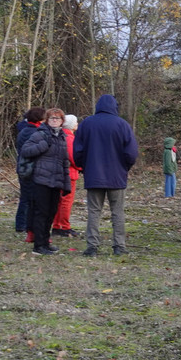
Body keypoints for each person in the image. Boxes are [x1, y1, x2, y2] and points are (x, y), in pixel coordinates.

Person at [71, 93, 139, 256]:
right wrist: (124, 167)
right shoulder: (122, 124)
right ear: (115, 107)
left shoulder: (87, 123)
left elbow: (77, 150)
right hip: (116, 176)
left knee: (94, 211)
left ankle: (92, 246)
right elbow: (131, 152)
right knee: (118, 212)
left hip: (93, 175)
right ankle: (119, 246)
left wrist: (83, 167)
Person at [18, 109, 70, 255]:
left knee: (51, 213)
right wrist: (42, 146)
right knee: (41, 212)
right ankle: (39, 245)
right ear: (47, 120)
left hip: (56, 180)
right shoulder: (39, 134)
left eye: (58, 118)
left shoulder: (61, 137)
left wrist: (66, 183)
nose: (55, 121)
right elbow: (25, 151)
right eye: (52, 118)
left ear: (62, 121)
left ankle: (46, 242)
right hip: (40, 180)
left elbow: (65, 161)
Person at [13, 107, 44, 238]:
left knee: (25, 197)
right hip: (29, 168)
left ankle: (22, 223)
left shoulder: (24, 130)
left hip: (23, 168)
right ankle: (22, 224)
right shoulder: (34, 132)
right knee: (28, 198)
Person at [51, 114, 79, 237]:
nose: (77, 124)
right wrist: (81, 167)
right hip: (69, 174)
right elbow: (73, 157)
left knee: (59, 201)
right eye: (76, 122)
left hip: (60, 173)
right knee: (66, 201)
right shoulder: (69, 138)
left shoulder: (60, 135)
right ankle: (63, 226)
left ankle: (57, 225)